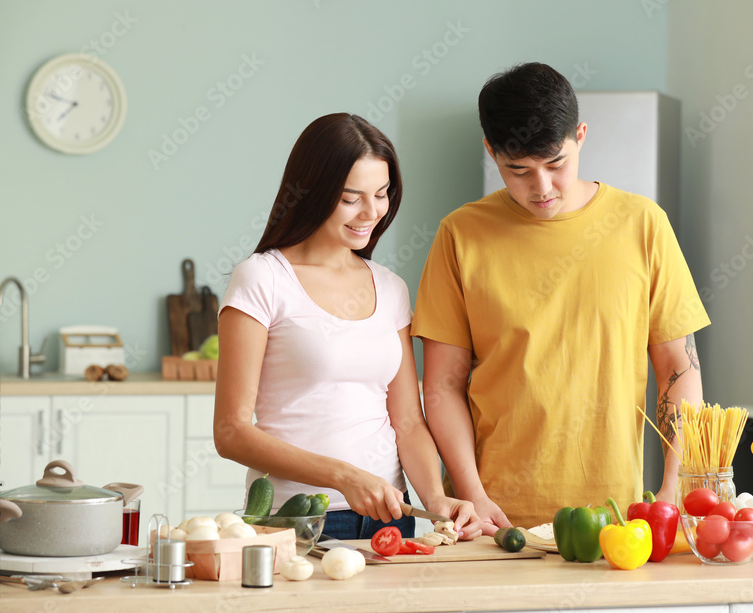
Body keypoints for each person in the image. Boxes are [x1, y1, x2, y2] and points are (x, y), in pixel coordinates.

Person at [411, 63, 710, 533]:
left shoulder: (643, 225)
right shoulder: (460, 234)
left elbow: (677, 367)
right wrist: (472, 494)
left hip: (616, 522)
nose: (542, 187)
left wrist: (676, 483)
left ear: (581, 136)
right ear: (490, 151)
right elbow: (443, 385)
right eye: (519, 170)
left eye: (556, 164)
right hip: (492, 522)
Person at [213, 113, 480, 541]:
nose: (371, 212)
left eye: (382, 194)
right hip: (295, 519)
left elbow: (408, 420)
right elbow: (231, 432)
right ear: (313, 192)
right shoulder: (262, 278)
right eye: (350, 198)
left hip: (393, 516)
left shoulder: (390, 287)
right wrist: (343, 477)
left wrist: (434, 498)